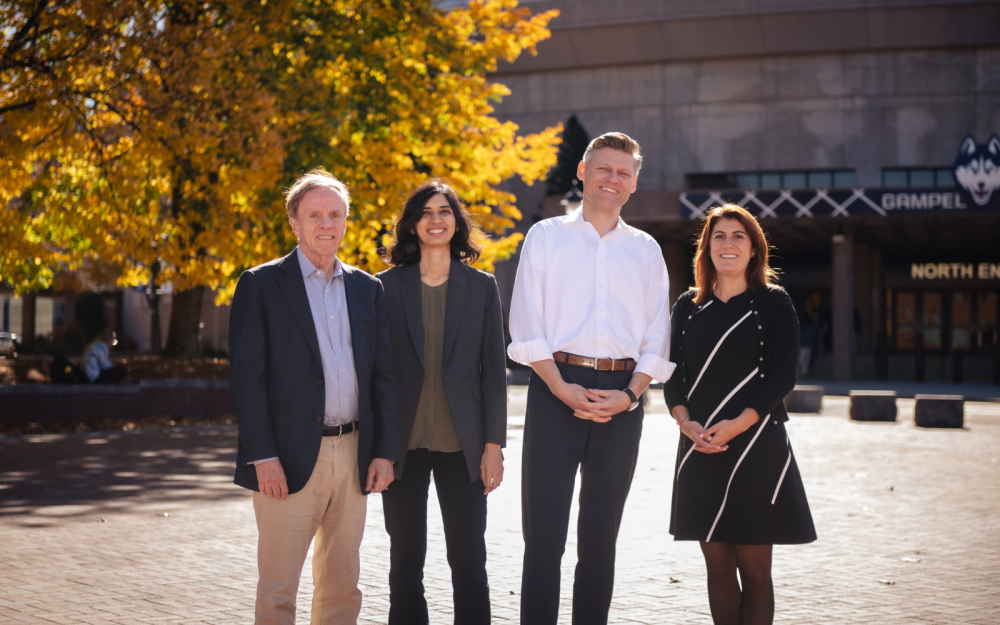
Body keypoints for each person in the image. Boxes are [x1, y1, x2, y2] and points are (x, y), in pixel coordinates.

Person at [507, 132, 674, 625]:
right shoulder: (545, 236)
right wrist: (560, 387)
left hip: (622, 401)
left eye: (623, 173)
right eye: (604, 169)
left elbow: (656, 334)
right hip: (554, 387)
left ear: (635, 183)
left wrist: (629, 396)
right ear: (582, 172)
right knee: (543, 538)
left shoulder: (645, 250)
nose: (612, 179)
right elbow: (525, 323)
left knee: (601, 540)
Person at [228, 169, 400, 625]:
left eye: (335, 215)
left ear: (346, 222)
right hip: (286, 457)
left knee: (343, 589)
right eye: (315, 215)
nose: (327, 224)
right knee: (279, 588)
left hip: (354, 455)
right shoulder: (261, 284)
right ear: (294, 223)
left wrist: (384, 452)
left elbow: (383, 377)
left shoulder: (368, 288)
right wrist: (261, 457)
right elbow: (248, 379)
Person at [664, 204, 816, 625]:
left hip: (757, 445)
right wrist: (684, 421)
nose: (727, 244)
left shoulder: (773, 302)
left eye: (738, 236)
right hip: (699, 446)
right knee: (716, 565)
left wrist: (738, 423)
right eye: (719, 236)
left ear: (753, 250)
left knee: (754, 567)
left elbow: (784, 375)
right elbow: (672, 376)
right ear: (706, 248)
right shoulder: (687, 306)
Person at [377, 180, 507, 625]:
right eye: (426, 212)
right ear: (412, 225)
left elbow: (493, 372)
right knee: (405, 560)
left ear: (457, 222)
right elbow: (379, 374)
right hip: (401, 447)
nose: (436, 220)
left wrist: (494, 445)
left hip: (465, 445)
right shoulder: (384, 288)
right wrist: (378, 448)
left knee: (469, 560)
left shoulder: (482, 287)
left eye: (445, 211)